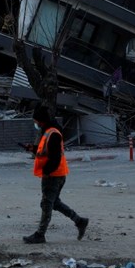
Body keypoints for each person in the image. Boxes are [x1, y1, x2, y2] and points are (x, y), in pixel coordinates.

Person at [23, 105, 89, 244]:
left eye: (36, 121)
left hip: (53, 175)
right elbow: (46, 152)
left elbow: (55, 157)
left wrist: (47, 172)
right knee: (54, 203)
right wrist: (33, 148)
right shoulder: (49, 131)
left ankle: (40, 234)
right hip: (57, 173)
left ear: (41, 120)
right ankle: (79, 221)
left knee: (47, 204)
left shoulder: (52, 133)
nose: (35, 124)